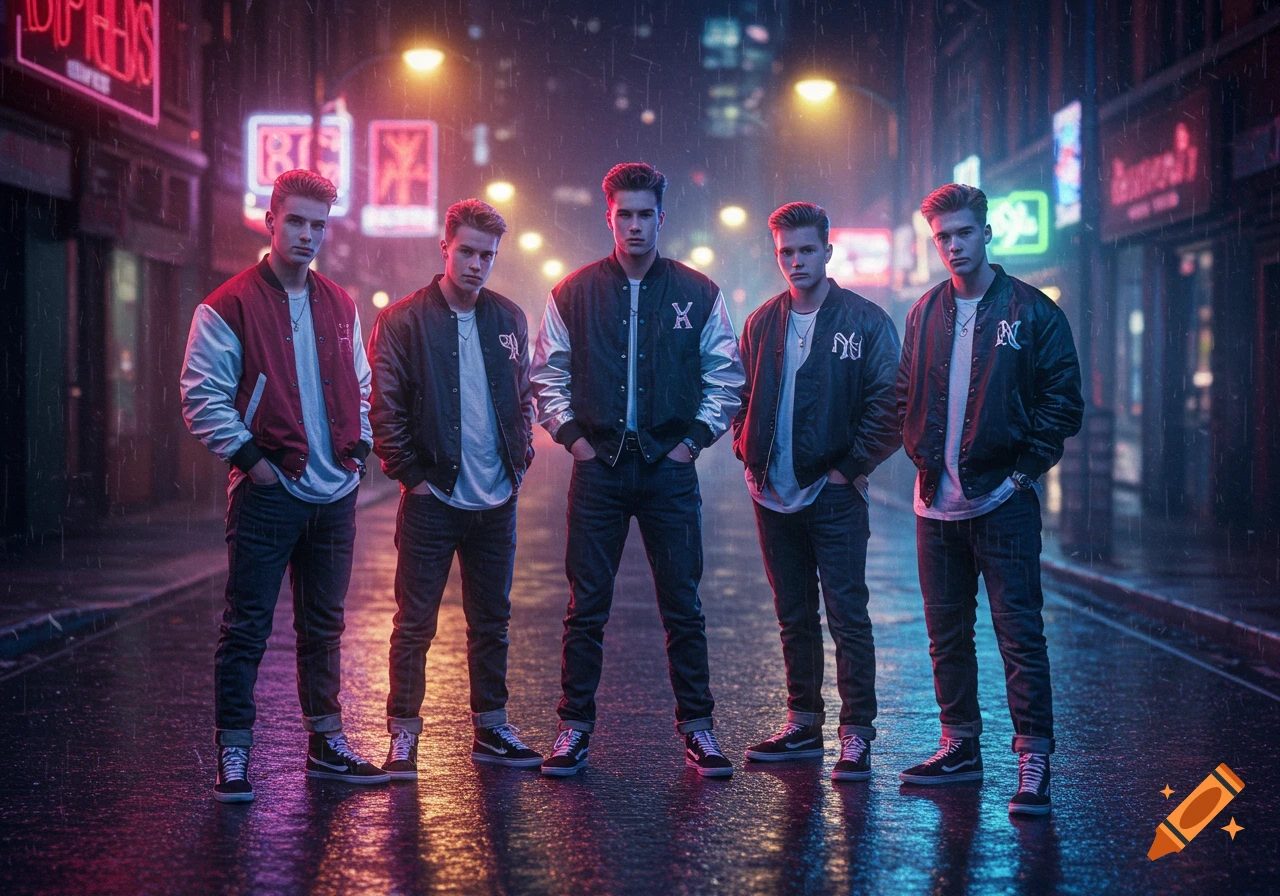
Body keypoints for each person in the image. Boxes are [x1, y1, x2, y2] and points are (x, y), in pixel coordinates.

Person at [530, 162, 745, 777]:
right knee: (585, 607)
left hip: (667, 470)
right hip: (598, 468)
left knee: (683, 605)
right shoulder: (574, 291)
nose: (634, 225)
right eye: (623, 214)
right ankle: (573, 730)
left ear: (660, 218)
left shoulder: (697, 291)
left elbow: (725, 375)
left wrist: (690, 444)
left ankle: (699, 731)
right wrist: (574, 441)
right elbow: (548, 373)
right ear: (609, 218)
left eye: (644, 214)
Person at [180, 169, 389, 803]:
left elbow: (361, 383)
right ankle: (234, 754)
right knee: (246, 627)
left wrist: (359, 450)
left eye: (317, 225)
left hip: (335, 493)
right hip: (268, 492)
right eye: (295, 221)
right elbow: (201, 396)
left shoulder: (340, 302)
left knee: (324, 628)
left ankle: (326, 744)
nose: (306, 235)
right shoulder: (229, 304)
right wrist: (255, 462)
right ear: (271, 221)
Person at [896, 183, 1083, 816]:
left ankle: (1033, 759)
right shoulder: (925, 312)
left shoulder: (1032, 311)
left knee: (1019, 635)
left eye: (963, 233)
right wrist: (919, 456)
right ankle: (960, 746)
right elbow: (905, 392)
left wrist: (1023, 474)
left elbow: (1063, 401)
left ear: (986, 233)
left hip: (1004, 501)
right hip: (934, 505)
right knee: (946, 636)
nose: (953, 246)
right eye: (942, 237)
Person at [368, 199, 540, 778]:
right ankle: (402, 735)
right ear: (445, 248)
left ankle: (491, 729)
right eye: (466, 252)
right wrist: (412, 478)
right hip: (433, 499)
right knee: (415, 623)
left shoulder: (509, 318)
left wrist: (520, 460)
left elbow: (523, 396)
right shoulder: (403, 320)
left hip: (496, 499)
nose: (476, 265)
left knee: (492, 621)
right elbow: (384, 407)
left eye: (487, 255)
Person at [733, 202, 901, 782]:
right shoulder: (762, 322)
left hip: (833, 493)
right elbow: (740, 395)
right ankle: (803, 724)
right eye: (786, 251)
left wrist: (847, 469)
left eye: (807, 249)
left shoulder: (865, 321)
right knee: (794, 614)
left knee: (847, 615)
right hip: (771, 495)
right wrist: (747, 451)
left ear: (828, 251)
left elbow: (889, 402)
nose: (797, 260)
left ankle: (856, 735)